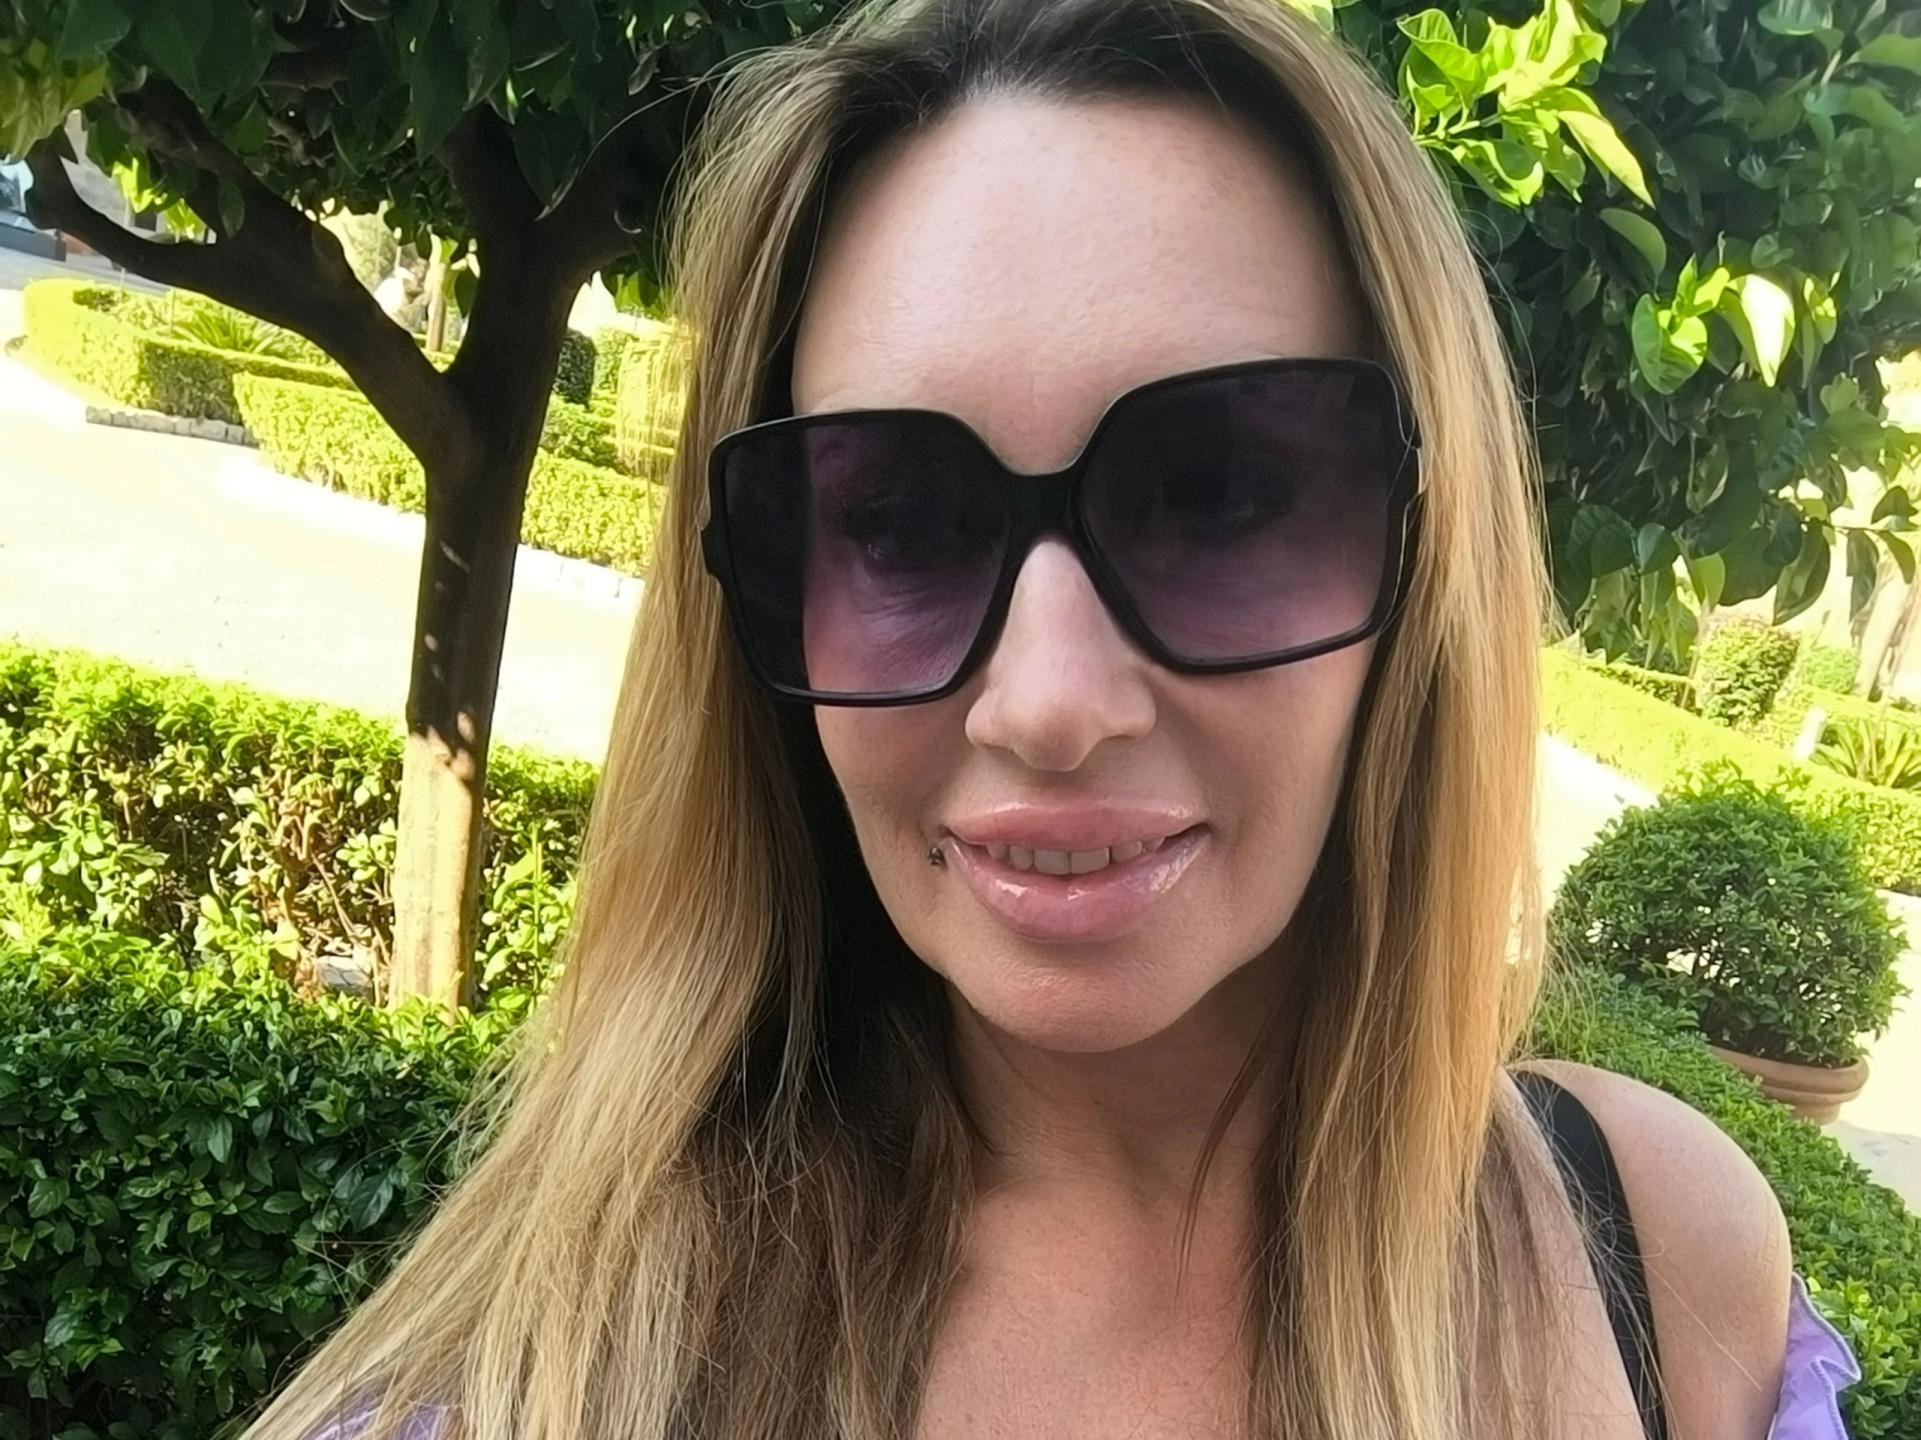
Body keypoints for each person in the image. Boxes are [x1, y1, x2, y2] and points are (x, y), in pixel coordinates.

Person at [250, 1, 1863, 1437]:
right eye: (896, 519)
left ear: (1423, 555)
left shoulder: (1656, 1259)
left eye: (1216, 493)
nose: (1048, 703)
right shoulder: (550, 1372)